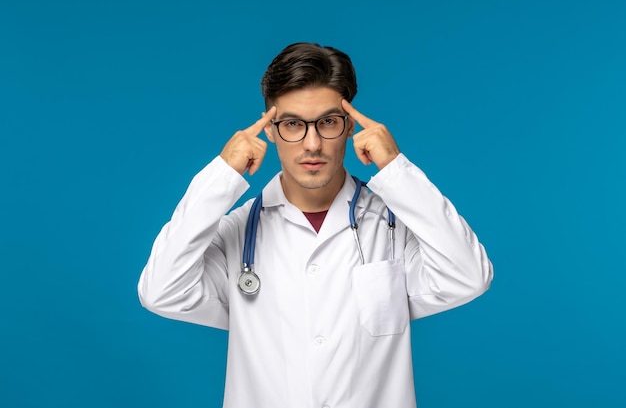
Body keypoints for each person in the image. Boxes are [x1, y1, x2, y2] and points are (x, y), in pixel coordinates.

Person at [138, 42, 493, 408]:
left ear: (350, 126)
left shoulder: (392, 228)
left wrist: (397, 170)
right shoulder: (239, 232)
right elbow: (160, 292)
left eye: (327, 122)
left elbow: (468, 276)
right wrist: (221, 177)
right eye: (293, 124)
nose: (312, 144)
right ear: (271, 130)